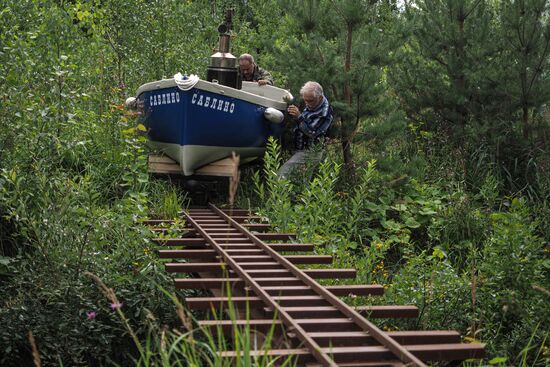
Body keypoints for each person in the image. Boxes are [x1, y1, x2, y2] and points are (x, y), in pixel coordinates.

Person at [279, 81, 333, 178]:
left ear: (320, 97)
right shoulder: (314, 103)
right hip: (301, 148)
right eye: (305, 100)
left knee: (282, 175)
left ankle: (278, 193)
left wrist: (299, 116)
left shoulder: (324, 113)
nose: (307, 103)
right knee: (302, 181)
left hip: (310, 151)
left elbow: (312, 133)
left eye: (310, 100)